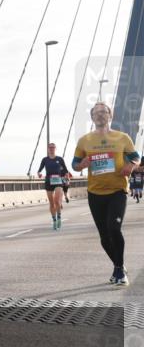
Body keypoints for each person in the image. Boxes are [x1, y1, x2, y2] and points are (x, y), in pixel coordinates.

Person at [72, 102, 140, 286]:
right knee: (104, 236)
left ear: (110, 115)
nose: (100, 115)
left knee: (114, 228)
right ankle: (119, 265)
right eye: (96, 112)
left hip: (117, 190)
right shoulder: (84, 140)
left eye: (104, 112)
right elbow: (74, 164)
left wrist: (131, 165)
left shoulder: (122, 137)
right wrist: (82, 164)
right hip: (95, 193)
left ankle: (119, 270)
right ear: (92, 117)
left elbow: (136, 156)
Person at [36, 143, 71, 230]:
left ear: (55, 148)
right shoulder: (45, 159)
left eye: (53, 147)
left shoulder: (60, 159)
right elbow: (39, 170)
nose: (51, 149)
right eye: (50, 148)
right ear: (48, 149)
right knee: (51, 203)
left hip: (58, 181)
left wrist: (67, 177)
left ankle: (59, 217)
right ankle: (54, 220)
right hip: (48, 181)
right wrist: (39, 173)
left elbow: (66, 170)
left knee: (57, 201)